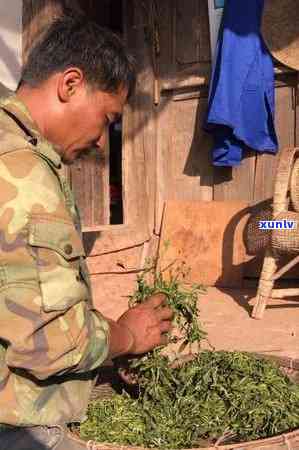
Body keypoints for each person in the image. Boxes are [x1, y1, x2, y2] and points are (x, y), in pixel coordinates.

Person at [0, 15, 173, 450]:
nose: (101, 141)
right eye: (107, 118)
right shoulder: (23, 177)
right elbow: (50, 341)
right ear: (71, 84)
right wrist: (128, 335)